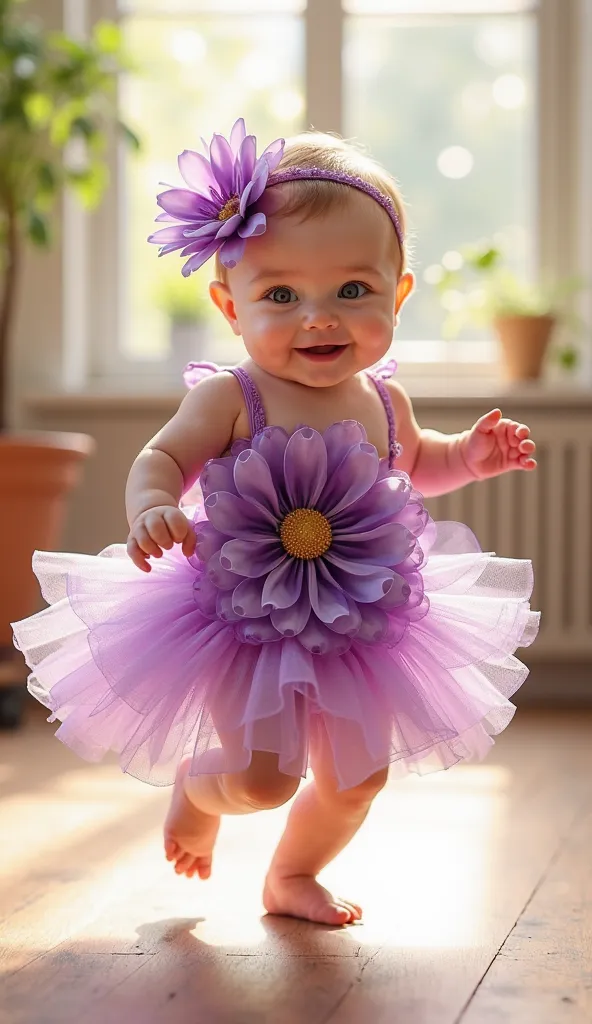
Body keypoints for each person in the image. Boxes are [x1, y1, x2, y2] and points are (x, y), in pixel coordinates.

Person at [13, 119, 540, 927]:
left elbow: (413, 464)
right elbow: (161, 457)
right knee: (261, 778)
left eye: (353, 292)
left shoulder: (384, 401)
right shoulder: (233, 396)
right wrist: (153, 504)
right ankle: (198, 788)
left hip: (359, 614)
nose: (318, 319)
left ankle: (292, 876)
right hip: (242, 616)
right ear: (231, 305)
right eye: (281, 295)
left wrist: (469, 455)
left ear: (398, 292)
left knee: (358, 779)